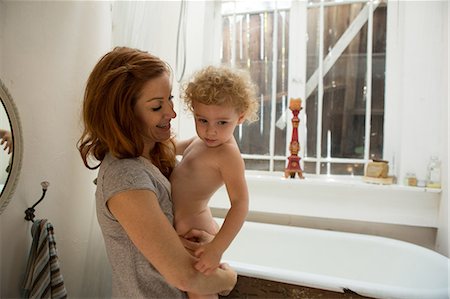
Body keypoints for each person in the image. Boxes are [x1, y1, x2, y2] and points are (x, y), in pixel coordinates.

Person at [77, 47, 237, 298]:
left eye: (170, 98)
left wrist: (208, 237)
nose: (172, 113)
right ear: (124, 115)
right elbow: (185, 277)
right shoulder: (126, 178)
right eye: (156, 107)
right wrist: (229, 278)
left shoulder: (153, 155)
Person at [171, 66, 259, 288]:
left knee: (201, 291)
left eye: (222, 123)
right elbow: (170, 148)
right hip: (181, 230)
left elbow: (240, 203)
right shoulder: (199, 141)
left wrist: (216, 248)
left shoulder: (227, 154)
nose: (211, 131)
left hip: (197, 232)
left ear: (239, 118)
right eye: (202, 120)